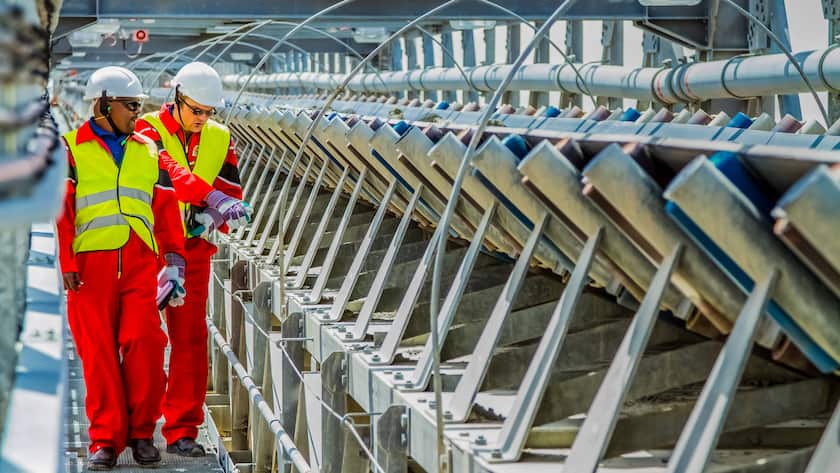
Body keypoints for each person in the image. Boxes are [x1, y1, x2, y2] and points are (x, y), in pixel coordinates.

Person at [56, 66, 187, 470]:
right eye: (130, 105)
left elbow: (165, 207)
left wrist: (175, 259)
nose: (137, 113)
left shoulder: (148, 150)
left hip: (139, 262)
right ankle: (105, 440)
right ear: (103, 105)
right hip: (89, 268)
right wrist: (67, 262)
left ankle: (143, 434)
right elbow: (61, 211)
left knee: (146, 343)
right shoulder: (70, 149)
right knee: (98, 355)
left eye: (139, 106)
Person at [135, 61, 250, 457]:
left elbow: (230, 189)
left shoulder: (220, 137)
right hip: (150, 249)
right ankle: (140, 428)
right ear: (178, 98)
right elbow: (167, 172)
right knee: (144, 339)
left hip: (194, 250)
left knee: (190, 339)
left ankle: (182, 430)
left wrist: (214, 215)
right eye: (196, 110)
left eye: (208, 111)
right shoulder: (148, 129)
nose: (202, 118)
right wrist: (209, 197)